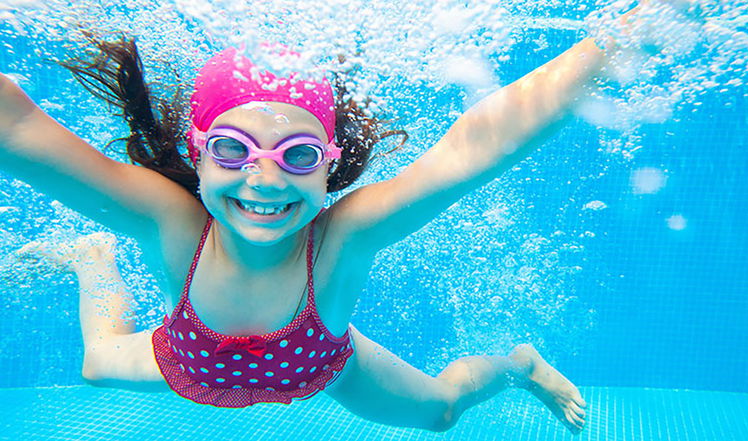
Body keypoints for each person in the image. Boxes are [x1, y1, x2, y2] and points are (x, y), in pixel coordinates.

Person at [0, 18, 627, 432]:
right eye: (232, 149)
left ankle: (519, 363)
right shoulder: (170, 221)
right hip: (184, 364)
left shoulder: (342, 237)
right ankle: (92, 256)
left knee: (439, 411)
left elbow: (472, 151)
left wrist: (625, 38)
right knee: (92, 362)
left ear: (329, 166)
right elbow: (21, 130)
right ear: (197, 154)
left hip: (322, 365)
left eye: (298, 155)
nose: (266, 180)